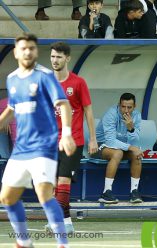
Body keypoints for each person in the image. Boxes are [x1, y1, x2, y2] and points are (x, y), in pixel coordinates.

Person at [0, 33, 76, 248]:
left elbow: (63, 104)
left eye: (32, 48)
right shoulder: (12, 79)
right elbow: (11, 109)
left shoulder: (44, 77)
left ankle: (63, 244)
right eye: (23, 48)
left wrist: (67, 133)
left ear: (36, 51)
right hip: (21, 149)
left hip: (43, 146)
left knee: (44, 194)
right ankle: (24, 242)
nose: (28, 51)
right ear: (16, 52)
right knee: (7, 198)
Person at [45, 41, 98, 234]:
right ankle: (66, 221)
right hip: (49, 142)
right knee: (51, 184)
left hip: (72, 140)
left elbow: (88, 111)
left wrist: (92, 138)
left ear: (67, 58)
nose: (55, 60)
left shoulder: (78, 82)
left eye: (59, 57)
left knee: (64, 182)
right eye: (52, 56)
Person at [94, 93, 143, 204]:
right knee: (118, 153)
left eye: (129, 107)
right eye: (123, 106)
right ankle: (106, 192)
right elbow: (110, 141)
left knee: (137, 154)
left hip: (121, 148)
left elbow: (134, 141)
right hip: (100, 146)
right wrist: (131, 147)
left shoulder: (136, 115)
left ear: (134, 106)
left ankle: (134, 192)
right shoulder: (111, 114)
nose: (126, 110)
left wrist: (131, 129)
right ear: (119, 105)